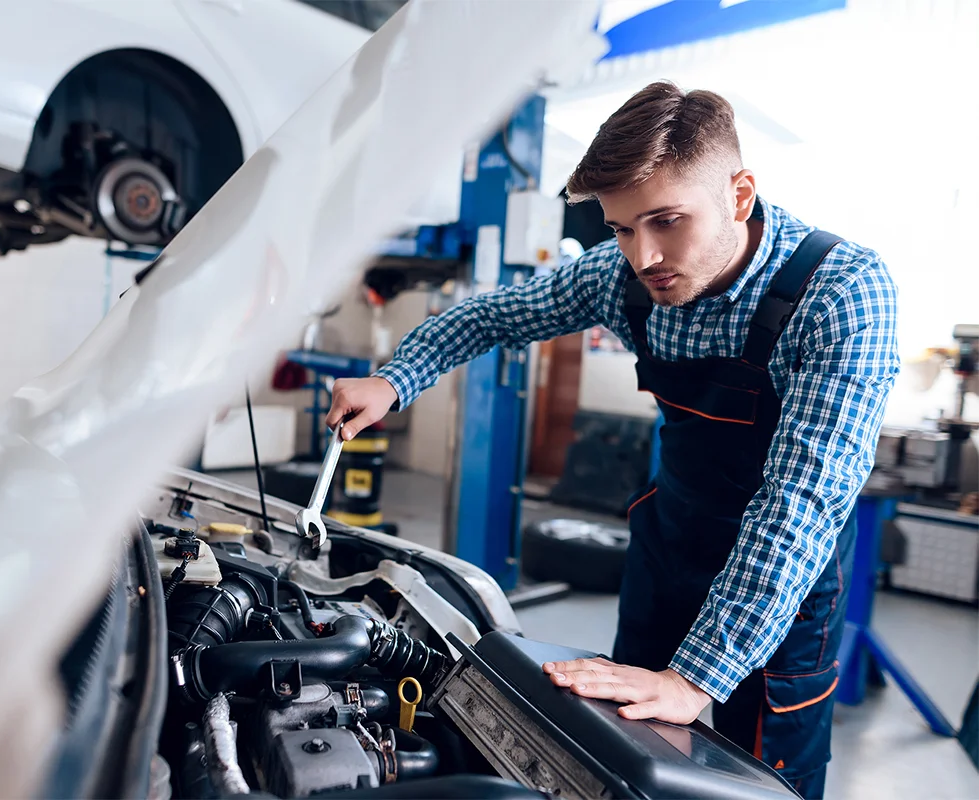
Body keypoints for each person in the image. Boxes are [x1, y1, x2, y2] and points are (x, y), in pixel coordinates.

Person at [325, 81, 899, 799]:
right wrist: (394, 379)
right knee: (627, 756)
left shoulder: (840, 292)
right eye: (622, 229)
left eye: (666, 221)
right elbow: (488, 316)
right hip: (670, 548)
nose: (643, 256)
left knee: (762, 783)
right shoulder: (618, 276)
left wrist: (693, 679)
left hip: (786, 576)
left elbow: (800, 504)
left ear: (740, 195)